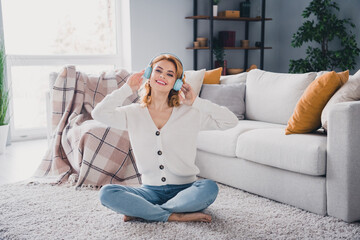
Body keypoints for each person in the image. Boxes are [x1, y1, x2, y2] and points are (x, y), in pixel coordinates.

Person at [92, 53, 238, 222]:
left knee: (209, 187)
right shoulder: (133, 113)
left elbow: (231, 121)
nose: (162, 76)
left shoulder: (190, 113)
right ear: (149, 74)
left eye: (170, 74)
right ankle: (174, 215)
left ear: (177, 82)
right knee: (107, 192)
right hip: (149, 191)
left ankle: (146, 212)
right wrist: (126, 89)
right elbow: (98, 114)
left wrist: (196, 101)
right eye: (158, 71)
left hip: (187, 190)